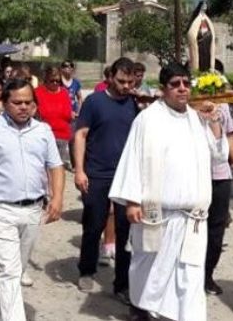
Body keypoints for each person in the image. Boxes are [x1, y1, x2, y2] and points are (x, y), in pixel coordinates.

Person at [109, 62, 228, 321]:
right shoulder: (148, 119)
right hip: (157, 214)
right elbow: (133, 159)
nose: (182, 88)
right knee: (151, 271)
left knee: (189, 274)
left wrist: (215, 121)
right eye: (175, 84)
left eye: (186, 83)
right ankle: (142, 310)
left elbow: (218, 156)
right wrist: (131, 202)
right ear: (164, 89)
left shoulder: (198, 118)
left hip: (192, 219)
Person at [0, 79, 65, 321]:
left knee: (16, 269)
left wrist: (58, 198)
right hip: (1, 210)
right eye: (17, 102)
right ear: (5, 103)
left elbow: (56, 166)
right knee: (9, 271)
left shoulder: (43, 131)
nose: (23, 107)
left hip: (33, 209)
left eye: (28, 102)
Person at [73, 58, 137, 300]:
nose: (125, 86)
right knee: (94, 224)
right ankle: (86, 270)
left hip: (126, 176)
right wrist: (80, 170)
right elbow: (80, 135)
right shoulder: (94, 102)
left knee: (125, 229)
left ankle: (122, 283)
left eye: (130, 82)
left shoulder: (135, 103)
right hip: (97, 173)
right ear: (110, 77)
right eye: (121, 81)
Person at [205, 103, 233, 296]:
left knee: (217, 229)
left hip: (220, 176)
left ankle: (207, 275)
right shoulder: (188, 105)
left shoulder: (223, 106)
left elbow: (229, 138)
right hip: (196, 175)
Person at [35, 66, 73, 170]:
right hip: (45, 136)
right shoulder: (38, 92)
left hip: (62, 136)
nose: (55, 83)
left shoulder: (64, 93)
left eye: (58, 81)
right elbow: (39, 113)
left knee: (59, 169)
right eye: (52, 81)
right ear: (46, 80)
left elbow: (68, 114)